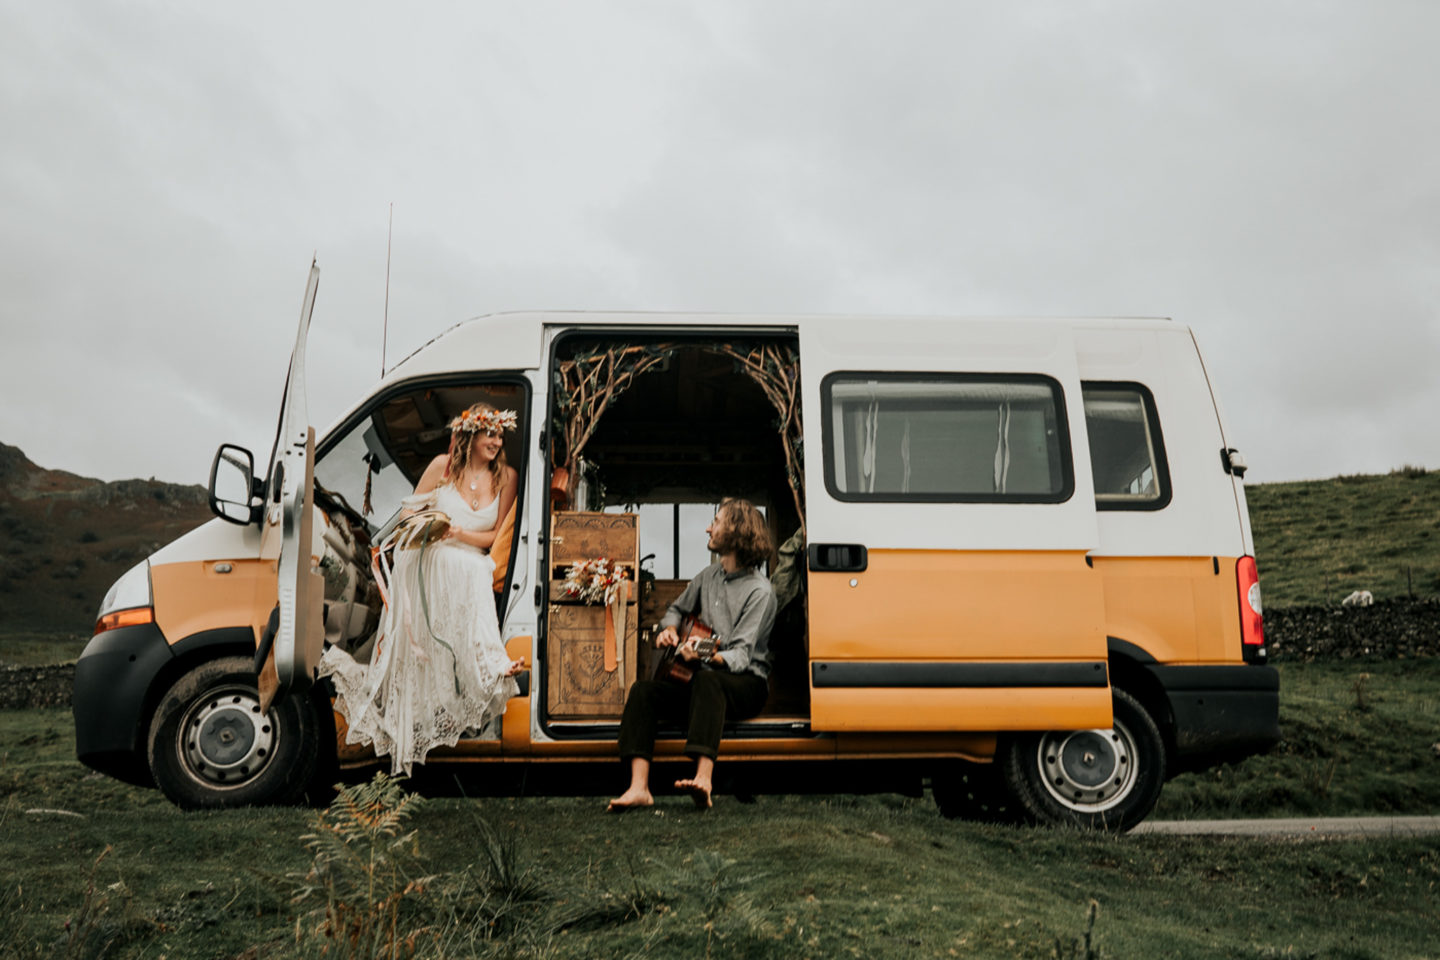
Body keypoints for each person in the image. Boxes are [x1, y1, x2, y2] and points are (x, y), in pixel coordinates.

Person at [320, 402, 526, 776]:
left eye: (499, 434)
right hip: (430, 556)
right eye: (489, 433)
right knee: (450, 565)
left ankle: (492, 666)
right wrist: (430, 521)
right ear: (470, 434)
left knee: (477, 568)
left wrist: (459, 532)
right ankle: (468, 676)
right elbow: (407, 515)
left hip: (469, 555)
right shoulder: (441, 468)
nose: (496, 441)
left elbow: (495, 534)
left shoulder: (506, 477)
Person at [607, 498, 777, 811]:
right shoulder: (707, 576)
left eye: (717, 522)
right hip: (703, 682)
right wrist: (669, 629)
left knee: (710, 681)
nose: (708, 528)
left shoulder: (760, 591)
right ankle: (639, 787)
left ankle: (703, 779)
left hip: (747, 683)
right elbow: (676, 609)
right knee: (644, 691)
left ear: (736, 532)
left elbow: (739, 656)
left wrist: (700, 655)